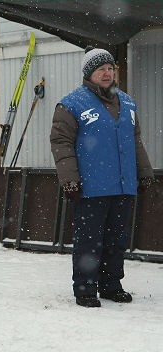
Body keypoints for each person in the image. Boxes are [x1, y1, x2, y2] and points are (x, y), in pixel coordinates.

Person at [50, 46, 154, 308]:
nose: (107, 73)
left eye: (110, 68)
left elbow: (135, 141)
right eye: (101, 69)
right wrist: (69, 180)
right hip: (91, 186)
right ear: (89, 73)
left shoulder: (128, 103)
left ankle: (111, 285)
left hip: (123, 184)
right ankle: (85, 288)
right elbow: (61, 143)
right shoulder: (71, 104)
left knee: (117, 239)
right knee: (89, 240)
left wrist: (144, 173)